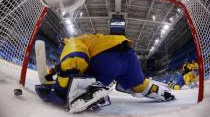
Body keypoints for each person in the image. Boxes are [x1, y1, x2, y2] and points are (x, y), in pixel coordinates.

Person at [35, 33, 175, 113]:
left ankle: (80, 91)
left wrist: (62, 84)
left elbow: (75, 53)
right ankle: (164, 93)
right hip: (130, 57)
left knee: (75, 67)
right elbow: (59, 66)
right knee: (140, 86)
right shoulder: (97, 38)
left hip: (105, 58)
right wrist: (51, 73)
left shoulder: (73, 40)